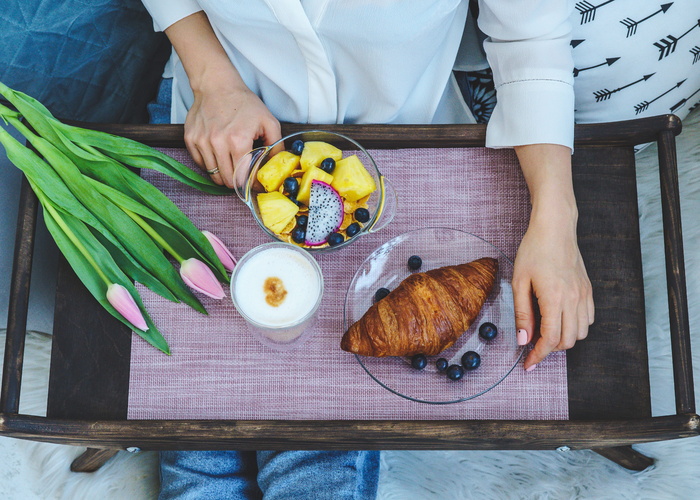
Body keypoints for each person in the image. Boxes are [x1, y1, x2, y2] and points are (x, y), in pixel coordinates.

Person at [140, 0, 699, 498]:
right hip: (223, 141)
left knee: (313, 452)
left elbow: (529, 37)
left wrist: (555, 223)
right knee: (196, 441)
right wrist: (211, 78)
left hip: (406, 152)